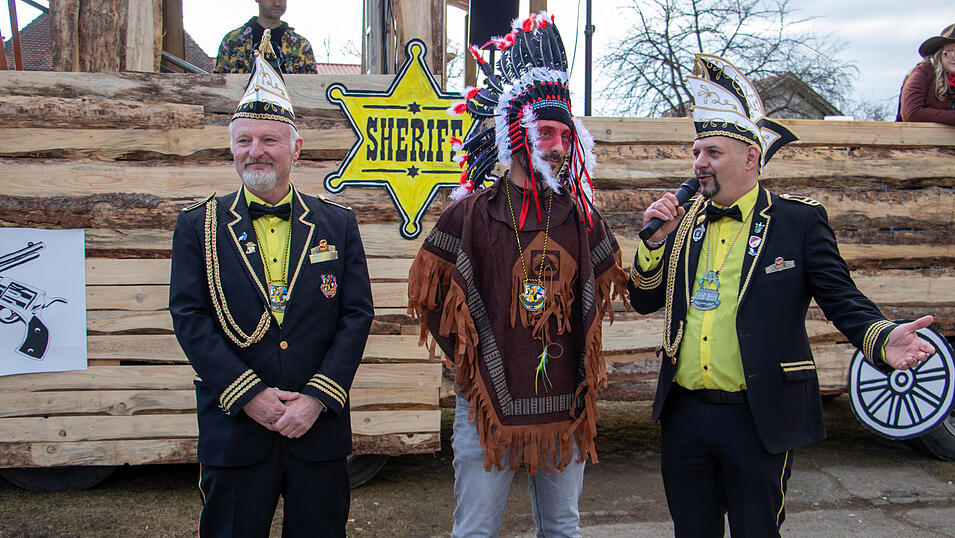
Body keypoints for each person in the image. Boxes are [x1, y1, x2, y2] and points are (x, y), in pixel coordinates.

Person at [629, 54, 937, 537]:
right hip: (685, 414)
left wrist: (879, 338)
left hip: (758, 415)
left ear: (751, 157)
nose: (699, 164)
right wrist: (651, 244)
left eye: (712, 152)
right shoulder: (683, 221)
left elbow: (841, 297)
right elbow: (645, 301)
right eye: (696, 152)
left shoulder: (797, 221)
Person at [407, 12, 628, 537]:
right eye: (544, 132)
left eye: (563, 134)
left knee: (562, 528)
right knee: (475, 530)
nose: (555, 145)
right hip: (486, 405)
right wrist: (476, 359)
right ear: (517, 135)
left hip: (565, 403)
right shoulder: (473, 214)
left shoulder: (582, 217)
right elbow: (432, 295)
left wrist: (658, 239)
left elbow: (614, 287)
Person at [170, 32, 373, 538]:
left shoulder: (337, 225)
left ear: (295, 148)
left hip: (317, 429)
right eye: (244, 140)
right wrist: (250, 395)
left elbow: (356, 315)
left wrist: (316, 399)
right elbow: (190, 319)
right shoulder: (198, 226)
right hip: (236, 429)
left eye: (269, 140)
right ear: (231, 148)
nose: (255, 151)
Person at [214, 0, 318, 74]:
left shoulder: (301, 46)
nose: (277, 3)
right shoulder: (233, 41)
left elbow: (312, 88)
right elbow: (218, 86)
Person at [897, 23, 955, 126]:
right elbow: (912, 114)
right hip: (916, 140)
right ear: (939, 54)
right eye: (949, 52)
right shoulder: (923, 73)